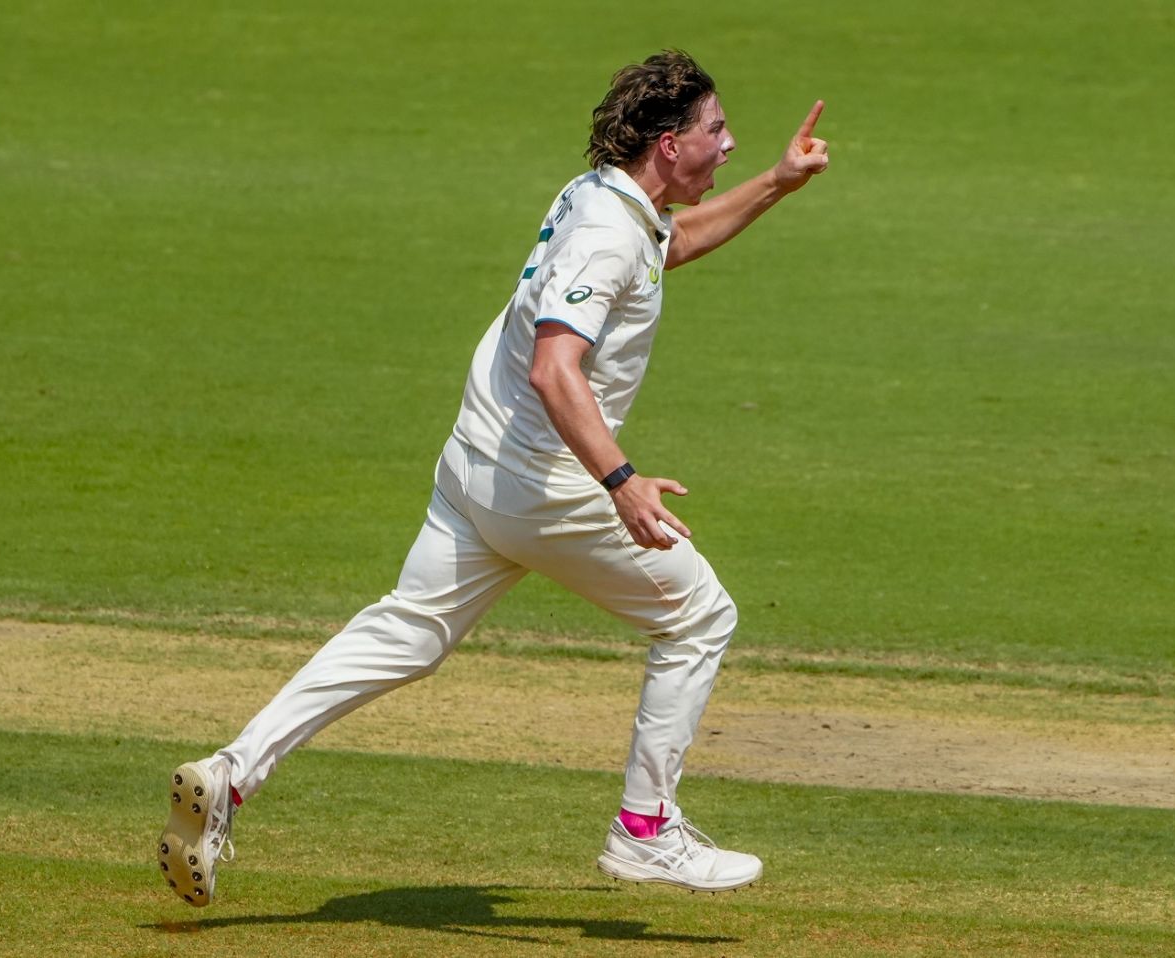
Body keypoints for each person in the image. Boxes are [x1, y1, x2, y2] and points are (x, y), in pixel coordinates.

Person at [158, 49, 828, 907]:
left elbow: (673, 244)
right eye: (717, 131)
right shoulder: (606, 230)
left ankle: (229, 773)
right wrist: (621, 482)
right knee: (701, 616)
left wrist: (775, 182)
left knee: (408, 633)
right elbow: (557, 369)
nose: (729, 144)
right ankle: (645, 829)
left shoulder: (605, 197)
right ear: (667, 144)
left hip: (475, 463)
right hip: (544, 487)